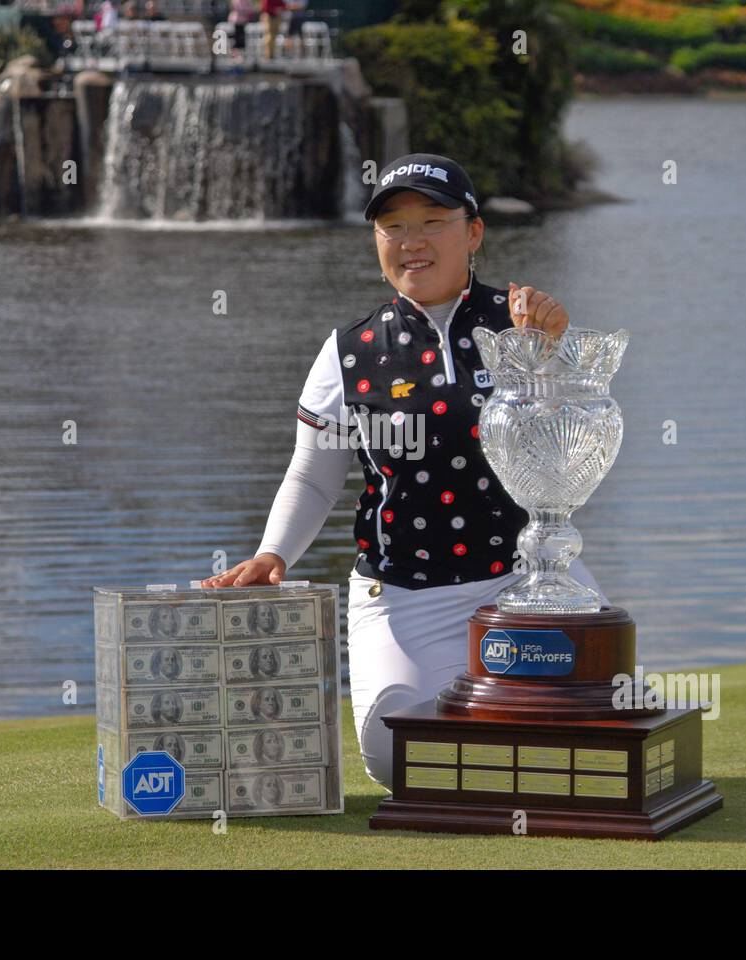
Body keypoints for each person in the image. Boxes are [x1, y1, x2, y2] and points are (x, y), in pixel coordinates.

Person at [202, 153, 607, 789]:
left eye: (432, 221)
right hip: (403, 594)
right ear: (376, 241)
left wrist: (553, 356)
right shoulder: (350, 351)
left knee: (608, 720)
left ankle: (508, 734)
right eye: (393, 227)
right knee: (400, 758)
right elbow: (313, 476)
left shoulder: (524, 325)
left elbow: (568, 452)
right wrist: (273, 553)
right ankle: (501, 741)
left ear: (473, 232)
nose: (412, 242)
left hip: (523, 580)